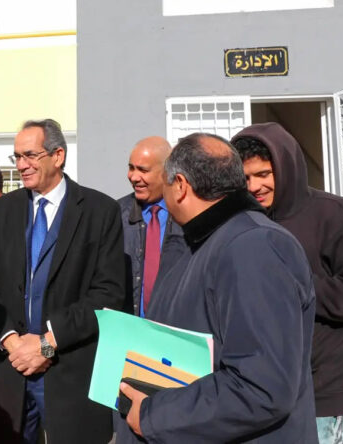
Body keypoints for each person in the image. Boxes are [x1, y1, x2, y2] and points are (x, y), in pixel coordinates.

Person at [120, 133, 317, 442]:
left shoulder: (254, 246)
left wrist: (154, 416)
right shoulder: (202, 241)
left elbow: (260, 387)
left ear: (181, 186)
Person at [232, 122, 343, 444]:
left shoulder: (338, 216)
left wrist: (294, 284)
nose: (255, 186)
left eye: (264, 174)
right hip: (261, 389)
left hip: (323, 397)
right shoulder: (242, 221)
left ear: (286, 168)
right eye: (246, 178)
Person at [0, 119, 125, 444]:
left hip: (69, 371)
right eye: (16, 157)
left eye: (30, 155)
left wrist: (46, 344)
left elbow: (108, 294)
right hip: (9, 371)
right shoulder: (2, 211)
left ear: (58, 156)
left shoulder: (101, 211)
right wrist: (12, 342)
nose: (21, 165)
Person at [117, 137, 186, 317]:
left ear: (166, 172)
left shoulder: (187, 215)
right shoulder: (116, 215)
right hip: (129, 330)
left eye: (143, 170)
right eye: (131, 167)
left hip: (174, 330)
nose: (133, 177)